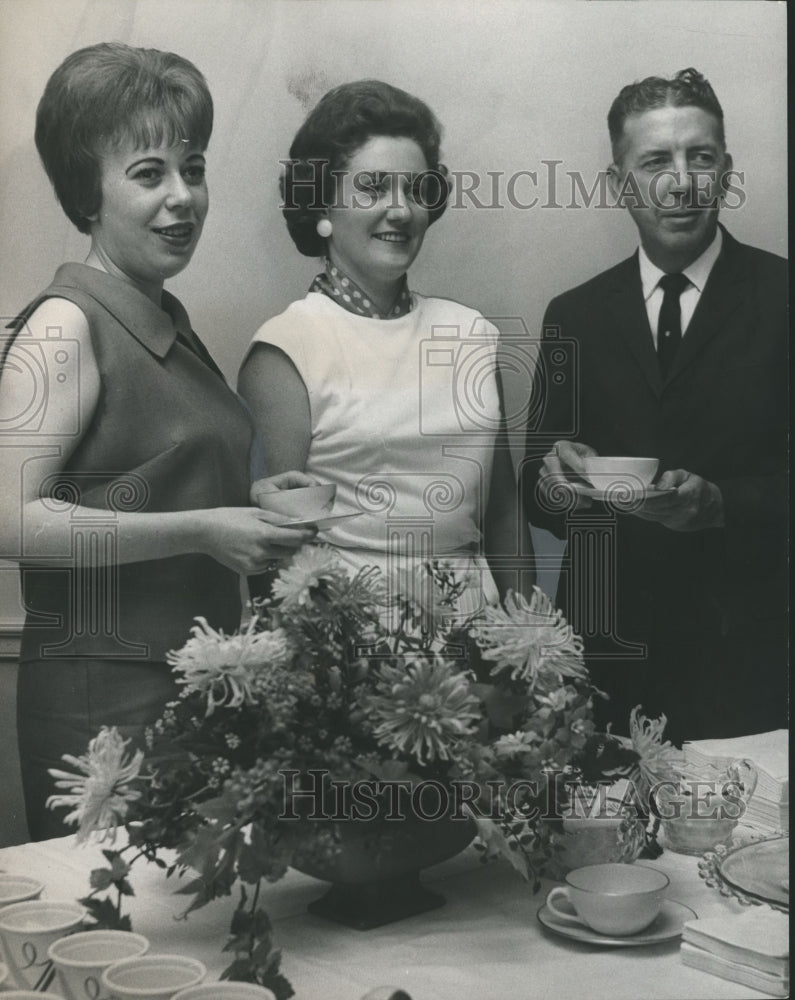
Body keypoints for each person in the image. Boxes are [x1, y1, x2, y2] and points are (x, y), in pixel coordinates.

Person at [0, 43, 314, 840]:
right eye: (148, 174)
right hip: (101, 706)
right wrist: (205, 529)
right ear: (88, 193)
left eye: (194, 168)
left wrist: (247, 503)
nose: (183, 198)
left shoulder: (165, 322)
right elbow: (7, 519)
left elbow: (144, 477)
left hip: (186, 693)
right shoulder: (66, 324)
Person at [523, 69, 787, 745]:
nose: (680, 181)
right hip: (605, 665)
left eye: (700, 157)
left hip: (751, 664)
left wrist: (721, 504)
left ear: (725, 171)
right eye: (654, 162)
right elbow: (533, 499)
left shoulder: (783, 296)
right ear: (619, 184)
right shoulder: (574, 316)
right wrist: (561, 481)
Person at [238, 80, 532, 618]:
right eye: (373, 188)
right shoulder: (286, 349)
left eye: (416, 190)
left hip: (477, 637)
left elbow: (505, 515)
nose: (401, 211)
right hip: (345, 641)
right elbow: (275, 551)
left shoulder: (470, 335)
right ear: (322, 203)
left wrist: (528, 648)